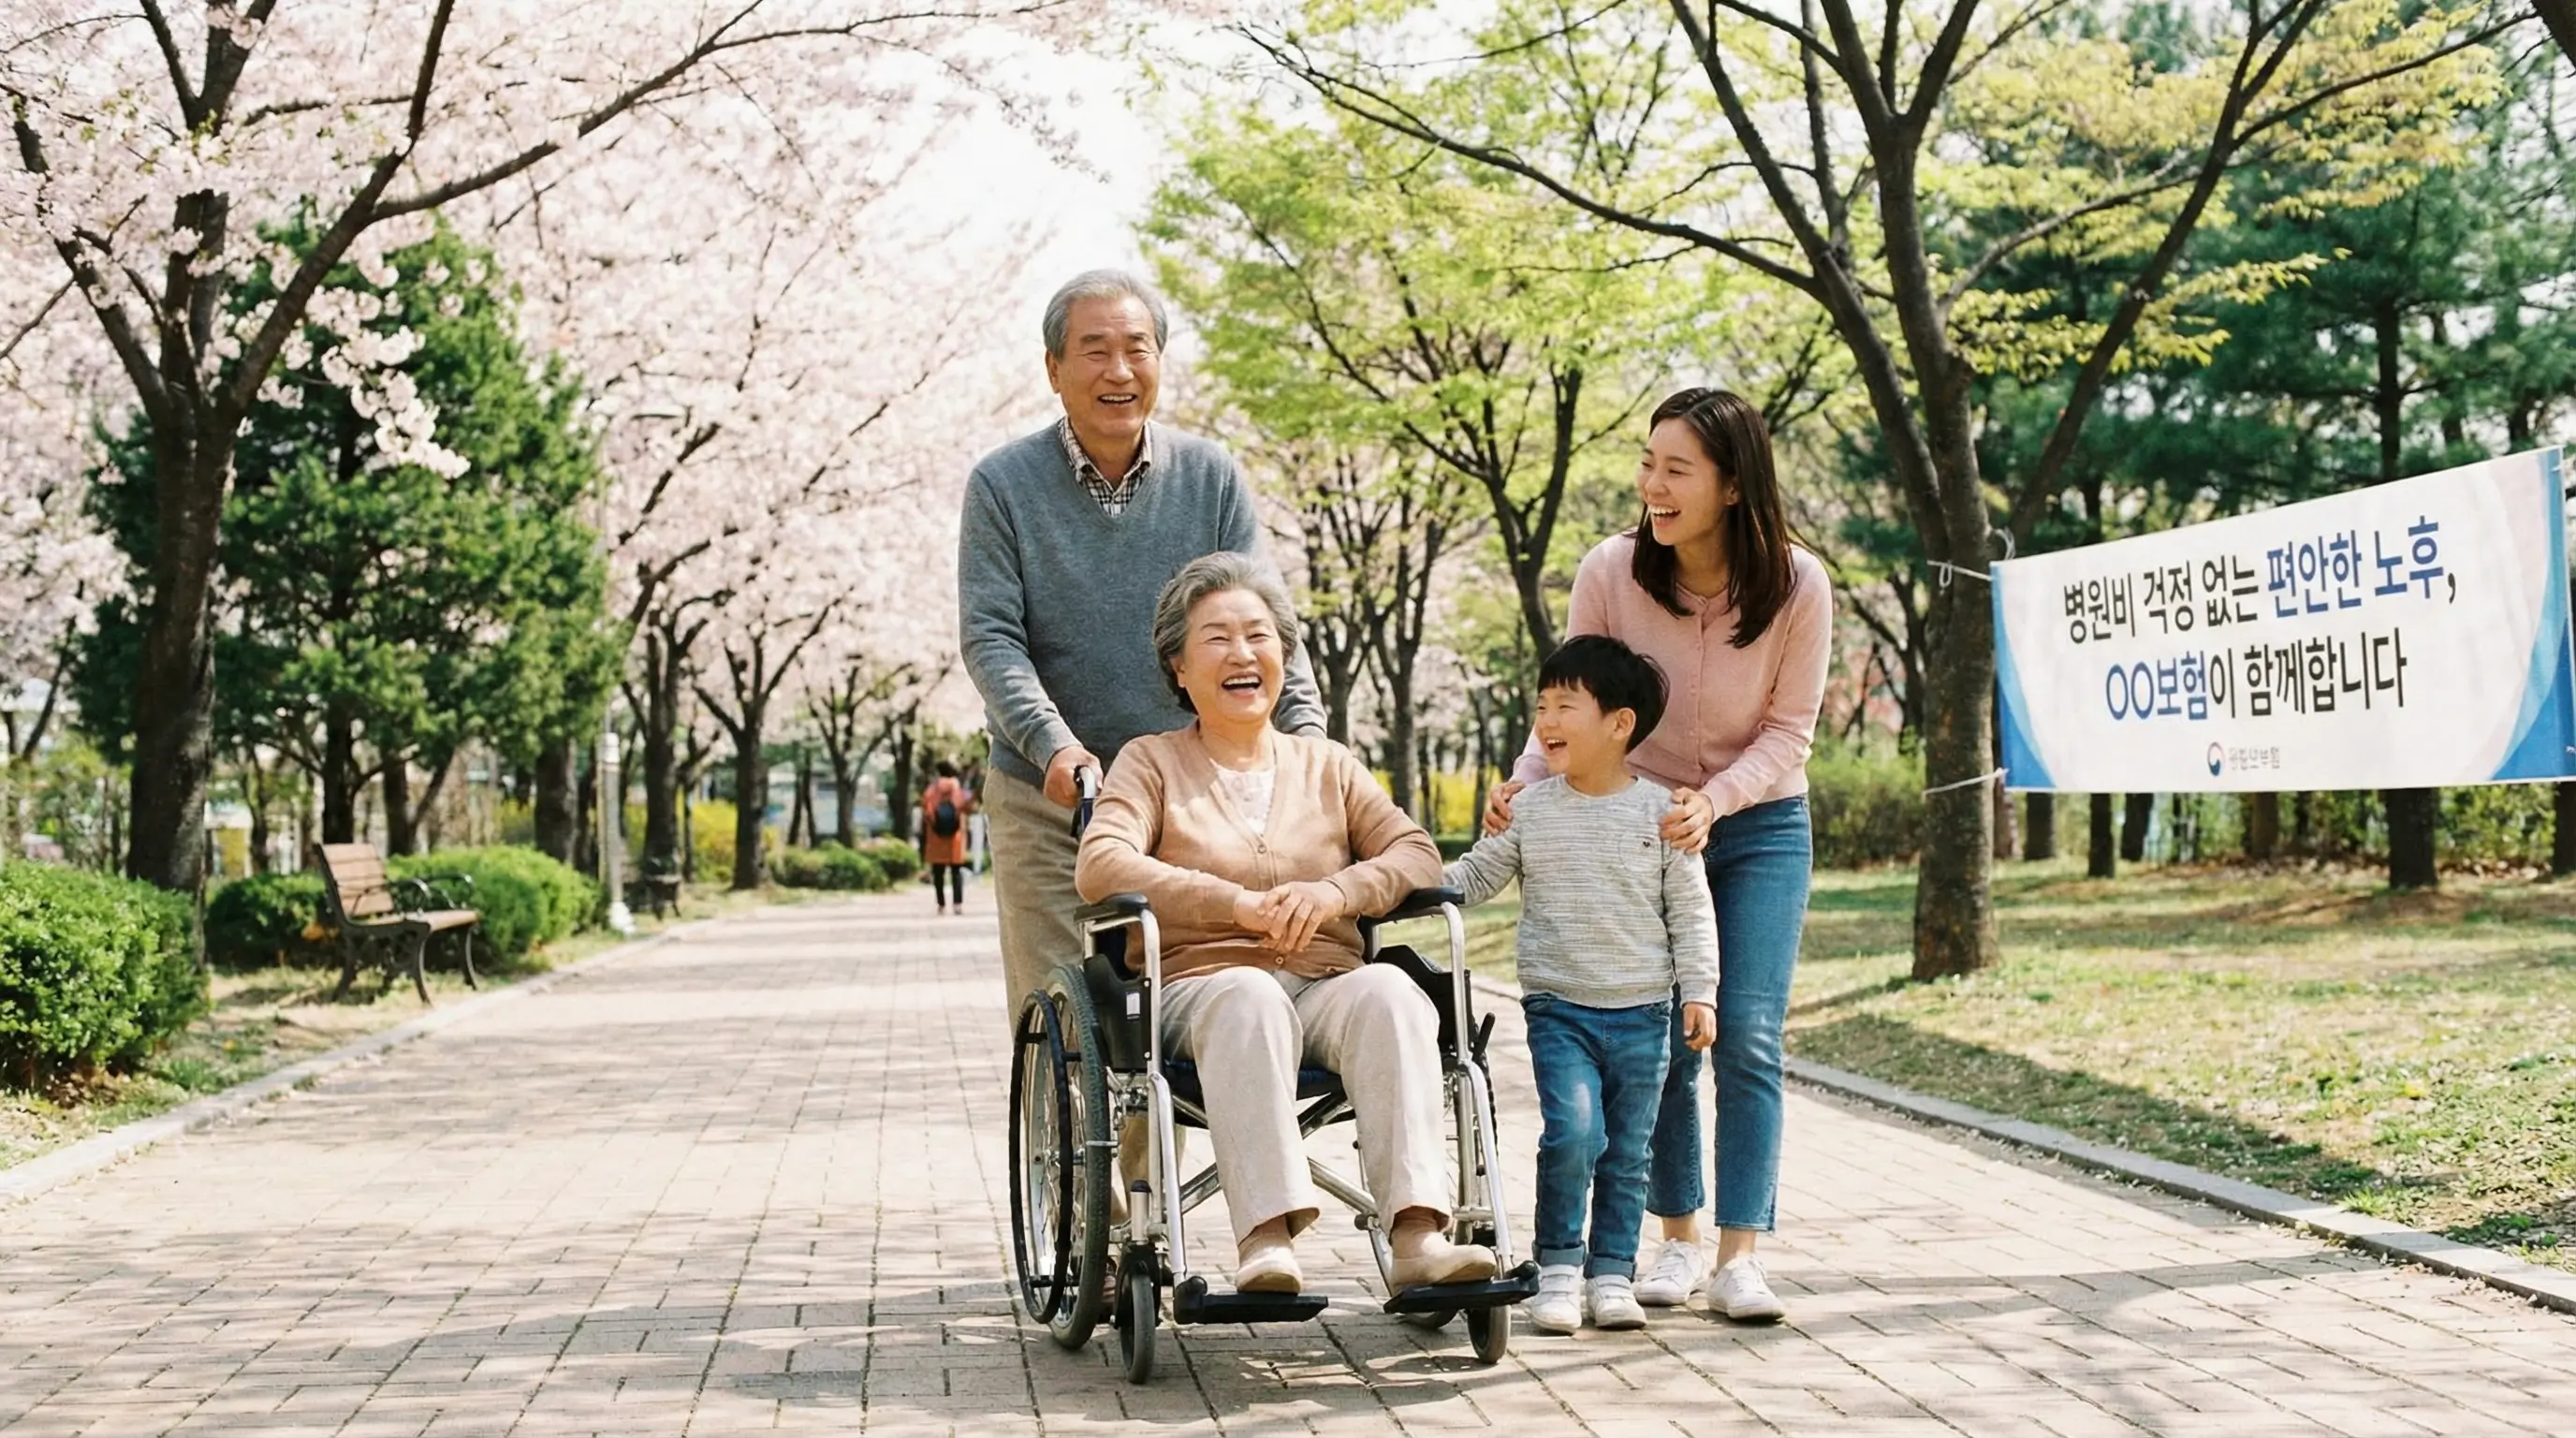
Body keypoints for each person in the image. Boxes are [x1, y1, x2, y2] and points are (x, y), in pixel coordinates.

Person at [1484, 388, 1831, 1323]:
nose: (1653, 485)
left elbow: (1790, 732)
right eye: (1648, 463)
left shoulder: (1798, 584)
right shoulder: (1611, 571)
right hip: (1636, 828)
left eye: (1676, 469)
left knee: (1746, 1034)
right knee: (1665, 1037)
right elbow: (1573, 701)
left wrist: (1712, 803)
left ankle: (1739, 1256)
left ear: (1731, 484)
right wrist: (1524, 785)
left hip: (1753, 824)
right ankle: (1675, 1240)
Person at [1076, 552, 1498, 1298]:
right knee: (1248, 995)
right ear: (1178, 666)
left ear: (1283, 655)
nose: (1243, 654)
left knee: (1395, 996)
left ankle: (1418, 1236)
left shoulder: (1328, 765)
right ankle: (1264, 1241)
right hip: (1200, 990)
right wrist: (1228, 904)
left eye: (1259, 635)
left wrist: (1337, 894)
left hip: (1323, 983)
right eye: (1217, 638)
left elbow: (1416, 853)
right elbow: (1102, 865)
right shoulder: (1150, 764)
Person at [959, 270, 1325, 1026]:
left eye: (1138, 349)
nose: (1119, 371)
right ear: (1054, 368)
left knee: (1167, 1023)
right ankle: (1069, 1143)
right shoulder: (1002, 485)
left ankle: (1152, 1151)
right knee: (1067, 1021)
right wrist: (1052, 746)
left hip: (1186, 797)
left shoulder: (1211, 478)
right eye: (1095, 351)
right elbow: (991, 636)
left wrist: (1311, 750)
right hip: (1049, 796)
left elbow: (1265, 625)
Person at [1443, 636, 1719, 1334]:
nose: (1547, 722)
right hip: (1559, 1007)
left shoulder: (1661, 814)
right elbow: (1474, 876)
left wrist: (1701, 990)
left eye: (1565, 706)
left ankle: (1612, 1274)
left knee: (1629, 1151)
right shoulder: (1531, 809)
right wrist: (1397, 880)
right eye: (1541, 707)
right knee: (1573, 1134)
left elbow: (1690, 911)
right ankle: (1560, 1267)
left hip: (1643, 1012)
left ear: (1619, 723)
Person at [919, 760, 974, 914]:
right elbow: (963, 806)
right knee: (956, 871)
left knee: (938, 872)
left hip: (936, 836)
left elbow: (926, 807)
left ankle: (941, 905)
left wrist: (934, 824)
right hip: (954, 837)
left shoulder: (933, 788)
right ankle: (958, 904)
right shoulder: (956, 786)